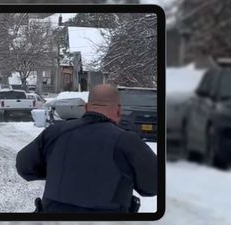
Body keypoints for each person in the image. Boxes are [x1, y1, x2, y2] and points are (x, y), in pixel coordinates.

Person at [16, 84, 157, 213]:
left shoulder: (55, 132)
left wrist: (56, 169)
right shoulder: (127, 141)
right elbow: (152, 185)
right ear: (119, 110)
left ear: (86, 108)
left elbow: (24, 166)